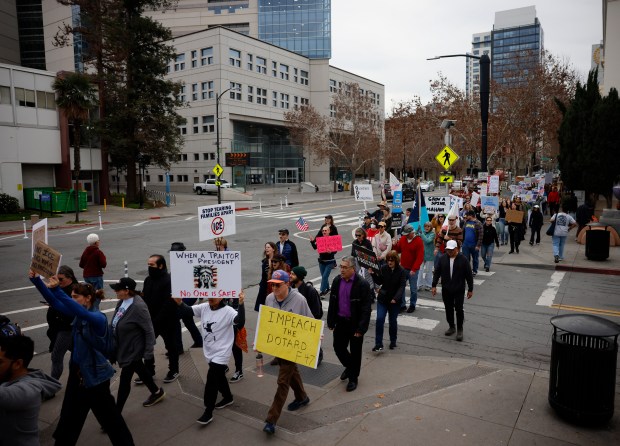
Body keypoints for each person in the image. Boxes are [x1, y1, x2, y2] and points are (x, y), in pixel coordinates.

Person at [29, 271, 135, 445]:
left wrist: (57, 290)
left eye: (75, 296)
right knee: (68, 419)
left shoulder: (97, 318)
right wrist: (36, 280)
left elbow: (73, 307)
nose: (71, 299)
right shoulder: (78, 313)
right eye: (71, 296)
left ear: (87, 299)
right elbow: (55, 302)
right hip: (77, 375)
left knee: (112, 422)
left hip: (95, 378)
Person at [176, 290, 245, 426]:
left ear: (221, 296)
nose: (211, 298)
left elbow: (240, 323)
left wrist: (241, 304)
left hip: (221, 353)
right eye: (209, 295)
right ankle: (228, 397)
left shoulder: (228, 311)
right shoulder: (204, 307)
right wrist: (179, 302)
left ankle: (208, 411)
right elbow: (187, 311)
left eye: (214, 295)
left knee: (211, 380)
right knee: (219, 377)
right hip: (209, 352)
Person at [262, 270, 314, 435]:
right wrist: (261, 341)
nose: (274, 288)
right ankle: (302, 397)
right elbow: (266, 322)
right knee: (292, 373)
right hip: (278, 346)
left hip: (293, 347)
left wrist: (314, 341)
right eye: (272, 285)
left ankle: (271, 419)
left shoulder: (299, 300)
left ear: (287, 284)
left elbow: (310, 322)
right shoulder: (270, 299)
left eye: (278, 285)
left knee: (282, 381)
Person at [109, 277, 165, 411]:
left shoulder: (138, 307)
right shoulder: (122, 301)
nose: (115, 291)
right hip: (124, 347)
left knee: (124, 381)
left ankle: (116, 414)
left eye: (118, 289)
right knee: (140, 369)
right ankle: (157, 392)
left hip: (133, 350)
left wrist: (148, 353)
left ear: (127, 291)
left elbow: (149, 329)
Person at [0, 335, 62, 446]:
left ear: (17, 364)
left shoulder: (30, 389)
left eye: (0, 362)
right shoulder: (7, 376)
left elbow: (5, 395)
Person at [327, 256, 373, 392]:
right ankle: (350, 367)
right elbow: (332, 303)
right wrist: (331, 321)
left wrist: (361, 328)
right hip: (340, 322)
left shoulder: (362, 284)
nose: (341, 270)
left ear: (353, 269)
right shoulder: (336, 281)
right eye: (341, 266)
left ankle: (353, 378)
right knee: (338, 347)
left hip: (355, 323)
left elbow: (366, 309)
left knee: (355, 351)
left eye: (344, 267)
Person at [142, 255, 180, 384]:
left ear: (161, 265)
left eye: (151, 265)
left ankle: (174, 370)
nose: (149, 267)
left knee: (171, 346)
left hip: (168, 321)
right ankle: (149, 371)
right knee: (147, 346)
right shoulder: (148, 280)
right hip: (150, 320)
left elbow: (168, 304)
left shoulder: (169, 281)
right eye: (148, 264)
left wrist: (156, 320)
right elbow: (145, 299)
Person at [431, 240, 474, 342]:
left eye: (451, 250)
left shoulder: (463, 260)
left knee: (459, 309)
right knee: (448, 308)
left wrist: (470, 289)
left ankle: (460, 329)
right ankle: (451, 326)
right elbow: (437, 272)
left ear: (456, 249)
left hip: (459, 289)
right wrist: (434, 285)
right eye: (447, 250)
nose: (449, 252)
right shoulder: (442, 259)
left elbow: (469, 275)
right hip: (446, 289)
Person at [170, 242, 203, 352]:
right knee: (188, 320)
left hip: (187, 297)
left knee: (174, 320)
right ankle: (199, 341)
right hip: (183, 296)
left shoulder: (186, 264)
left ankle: (178, 348)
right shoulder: (177, 263)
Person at [46, 265, 77, 380]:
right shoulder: (62, 287)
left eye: (61, 279)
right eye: (57, 279)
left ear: (70, 278)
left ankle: (52, 384)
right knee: (76, 353)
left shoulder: (75, 291)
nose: (58, 282)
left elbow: (69, 309)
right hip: (59, 327)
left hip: (66, 329)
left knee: (56, 356)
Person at [369, 251, 406, 351]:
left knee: (392, 321)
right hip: (383, 299)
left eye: (392, 260)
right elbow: (379, 281)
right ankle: (378, 343)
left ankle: (393, 341)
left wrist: (396, 298)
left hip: (394, 301)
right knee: (380, 319)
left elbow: (402, 286)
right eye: (388, 260)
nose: (389, 262)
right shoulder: (384, 268)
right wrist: (373, 274)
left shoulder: (401, 271)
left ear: (396, 261)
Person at [289, 266, 324, 364]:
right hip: (296, 322)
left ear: (299, 276)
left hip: (308, 321)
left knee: (312, 342)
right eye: (290, 273)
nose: (290, 276)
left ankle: (318, 356)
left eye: (293, 274)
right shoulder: (290, 289)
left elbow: (317, 311)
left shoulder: (310, 291)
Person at [393, 224, 424, 313]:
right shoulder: (403, 239)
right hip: (403, 267)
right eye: (404, 234)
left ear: (412, 233)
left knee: (413, 289)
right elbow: (398, 250)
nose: (405, 236)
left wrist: (414, 269)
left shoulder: (418, 241)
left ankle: (412, 305)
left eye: (407, 234)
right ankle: (402, 305)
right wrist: (394, 245)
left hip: (413, 269)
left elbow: (420, 257)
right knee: (401, 287)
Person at [311, 226, 337, 297]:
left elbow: (335, 250)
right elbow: (315, 247)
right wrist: (312, 241)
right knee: (324, 276)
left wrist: (331, 252)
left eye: (325, 231)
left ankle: (322, 291)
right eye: (323, 231)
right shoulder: (320, 239)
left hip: (330, 261)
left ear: (329, 231)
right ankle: (328, 288)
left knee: (325, 276)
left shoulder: (332, 239)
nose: (324, 232)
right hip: (322, 261)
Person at [254, 242, 277, 311]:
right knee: (262, 307)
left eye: (268, 247)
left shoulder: (277, 260)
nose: (266, 249)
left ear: (273, 249)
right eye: (266, 247)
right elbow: (263, 275)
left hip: (273, 285)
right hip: (264, 286)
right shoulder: (265, 261)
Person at [461, 210, 483, 276]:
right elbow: (463, 232)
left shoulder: (478, 223)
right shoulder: (466, 222)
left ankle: (475, 270)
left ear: (471, 216)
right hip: (465, 244)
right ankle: (467, 270)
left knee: (475, 258)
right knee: (466, 258)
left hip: (474, 244)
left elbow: (481, 235)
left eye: (467, 215)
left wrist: (478, 245)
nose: (466, 217)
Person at [417, 222, 436, 291]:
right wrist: (417, 231)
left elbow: (428, 241)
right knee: (420, 270)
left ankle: (428, 285)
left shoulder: (432, 234)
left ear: (431, 227)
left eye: (428, 226)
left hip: (429, 255)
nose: (427, 228)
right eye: (425, 226)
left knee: (428, 270)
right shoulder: (422, 233)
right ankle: (419, 284)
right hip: (421, 254)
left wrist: (421, 234)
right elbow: (416, 237)